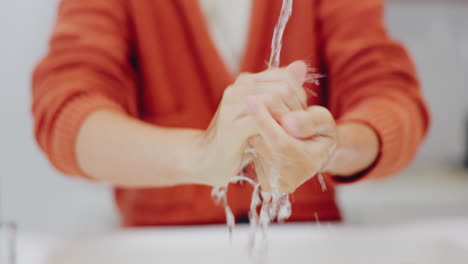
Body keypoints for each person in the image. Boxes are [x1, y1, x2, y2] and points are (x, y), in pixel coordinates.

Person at [32, 0, 430, 226]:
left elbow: (390, 98)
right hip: (163, 244)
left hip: (305, 239)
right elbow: (66, 111)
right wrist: (201, 154)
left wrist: (330, 148)